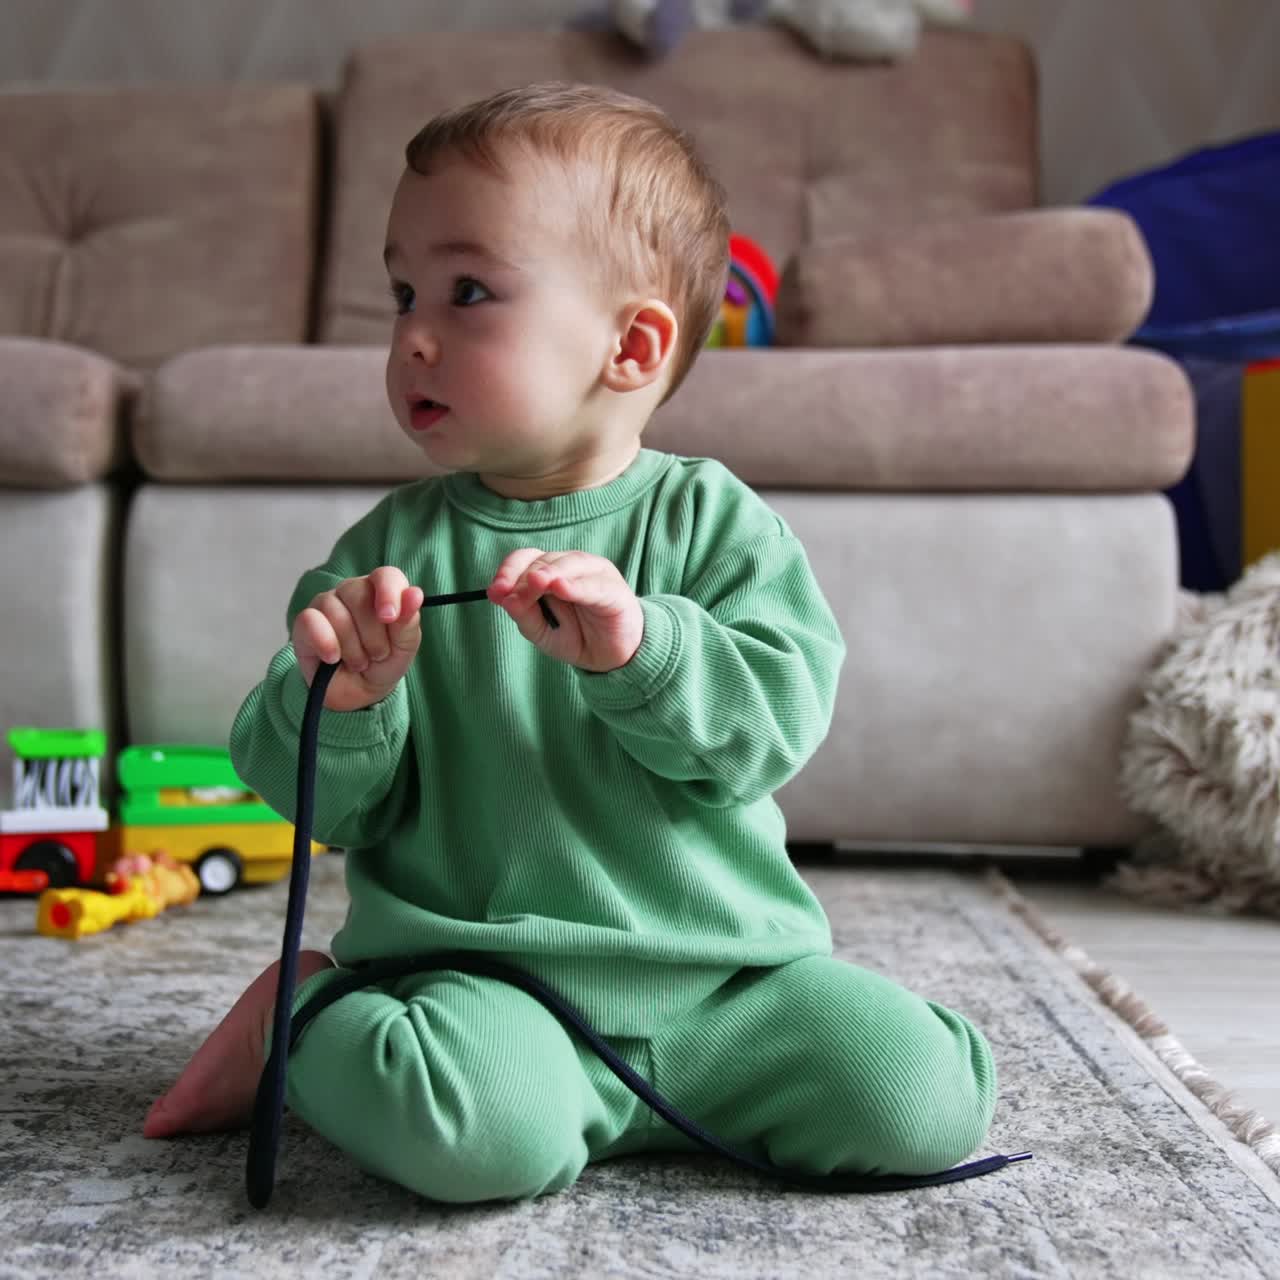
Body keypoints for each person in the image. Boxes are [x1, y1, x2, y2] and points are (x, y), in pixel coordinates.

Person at [143, 82, 996, 1202]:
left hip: (726, 992)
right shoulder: (384, 556)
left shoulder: (716, 524)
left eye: (467, 291)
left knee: (919, 1101)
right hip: (488, 994)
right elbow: (311, 797)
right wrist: (345, 703)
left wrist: (646, 649)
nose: (413, 334)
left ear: (630, 345)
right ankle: (299, 1017)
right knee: (475, 1139)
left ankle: (676, 1083)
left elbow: (771, 731)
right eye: (401, 293)